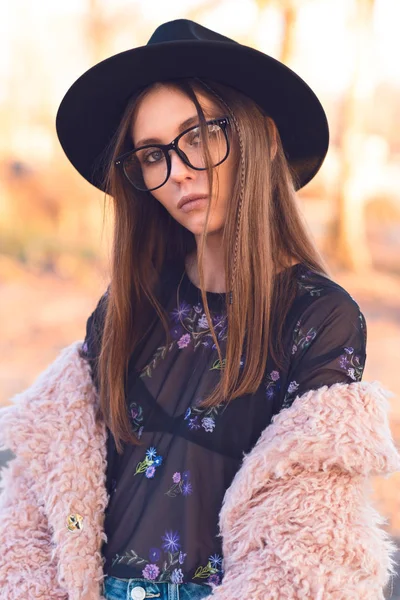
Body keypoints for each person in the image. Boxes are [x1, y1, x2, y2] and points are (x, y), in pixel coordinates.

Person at [0, 18, 399, 600]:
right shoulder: (128, 309)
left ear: (261, 134)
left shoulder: (318, 319)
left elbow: (304, 535)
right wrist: (65, 557)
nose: (179, 170)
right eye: (152, 154)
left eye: (200, 135)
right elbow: (58, 495)